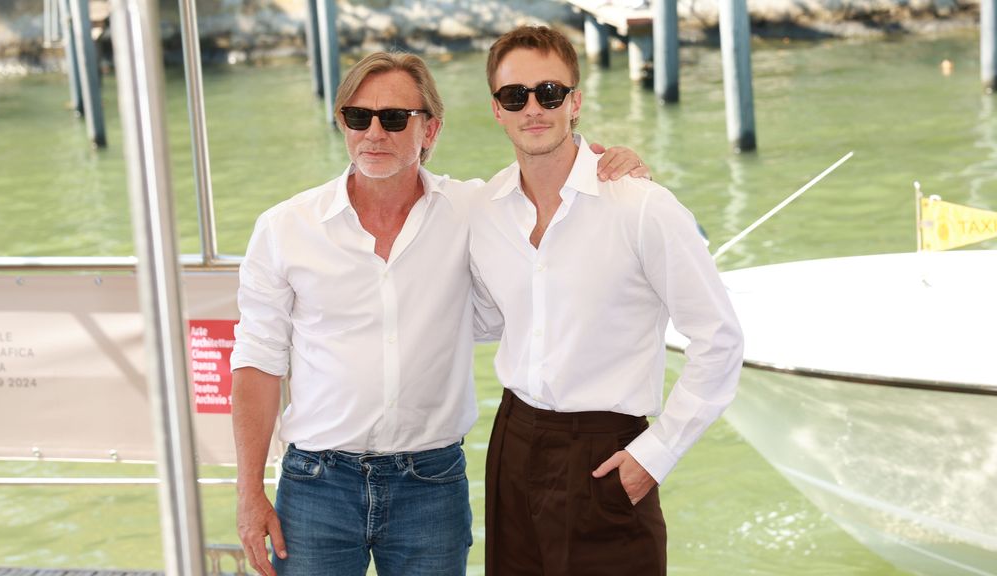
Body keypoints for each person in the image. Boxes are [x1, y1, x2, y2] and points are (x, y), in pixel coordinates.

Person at [230, 51, 647, 576]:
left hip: (430, 482)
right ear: (342, 124)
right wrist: (249, 493)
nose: (374, 133)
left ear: (431, 129)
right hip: (316, 484)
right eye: (358, 117)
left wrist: (615, 166)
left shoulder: (475, 208)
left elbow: (554, 191)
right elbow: (257, 360)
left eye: (395, 118)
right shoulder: (284, 227)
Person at [469, 26, 744, 576]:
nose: (533, 108)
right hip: (513, 443)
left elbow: (720, 339)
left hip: (607, 454)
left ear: (575, 101)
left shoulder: (642, 207)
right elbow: (484, 317)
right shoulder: (484, 208)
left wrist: (655, 455)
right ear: (497, 109)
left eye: (549, 92)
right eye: (514, 96)